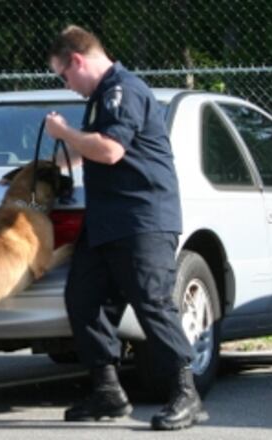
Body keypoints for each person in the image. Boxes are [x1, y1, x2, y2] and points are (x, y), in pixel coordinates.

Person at [44, 25, 206, 431]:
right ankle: (107, 392)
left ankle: (186, 392)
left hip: (142, 220)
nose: (68, 86)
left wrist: (64, 133)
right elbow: (95, 148)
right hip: (107, 223)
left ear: (78, 60)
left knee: (152, 304)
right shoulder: (101, 96)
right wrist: (52, 168)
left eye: (65, 75)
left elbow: (111, 150)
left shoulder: (123, 89)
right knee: (84, 299)